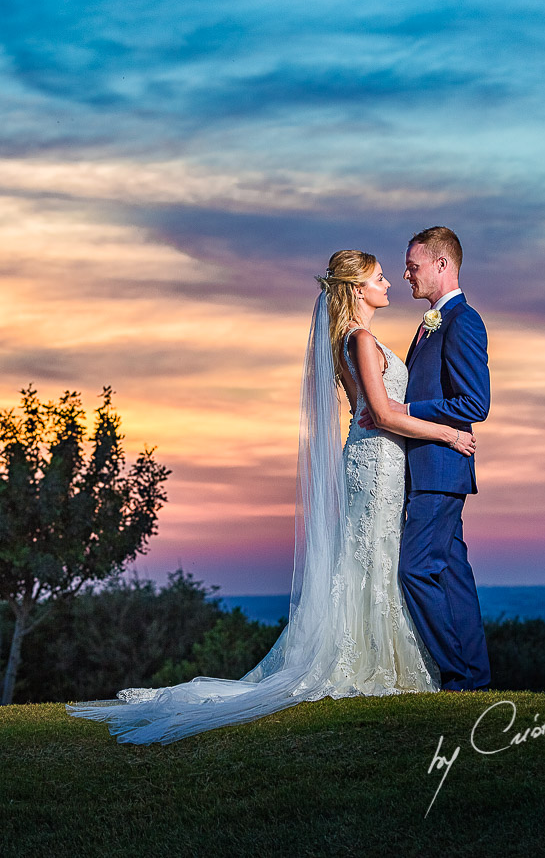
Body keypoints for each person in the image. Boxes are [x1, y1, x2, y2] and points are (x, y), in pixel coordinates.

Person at [65, 249, 476, 744]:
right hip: (376, 462)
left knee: (374, 558)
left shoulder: (349, 340)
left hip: (378, 461)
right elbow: (384, 414)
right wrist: (449, 435)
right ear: (356, 289)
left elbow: (373, 411)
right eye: (379, 278)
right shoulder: (362, 339)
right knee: (374, 557)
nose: (390, 282)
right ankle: (370, 659)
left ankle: (380, 653)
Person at [359, 226, 491, 690]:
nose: (405, 274)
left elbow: (476, 403)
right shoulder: (432, 322)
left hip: (440, 468)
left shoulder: (463, 321)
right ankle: (474, 677)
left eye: (413, 266)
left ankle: (456, 675)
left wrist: (406, 410)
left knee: (415, 569)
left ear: (442, 265)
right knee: (452, 574)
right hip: (427, 468)